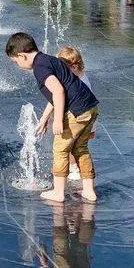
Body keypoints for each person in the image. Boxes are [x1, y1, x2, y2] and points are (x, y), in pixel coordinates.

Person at [6, 32, 99, 203]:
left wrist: (56, 120)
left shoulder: (40, 68)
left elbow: (58, 91)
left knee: (60, 150)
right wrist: (44, 119)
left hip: (76, 112)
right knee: (81, 149)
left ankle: (58, 192)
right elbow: (58, 93)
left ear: (22, 55)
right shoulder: (48, 60)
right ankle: (89, 191)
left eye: (16, 61)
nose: (18, 65)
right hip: (90, 107)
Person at [57, 46, 94, 182]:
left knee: (72, 145)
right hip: (85, 116)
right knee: (78, 146)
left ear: (75, 66)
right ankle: (78, 169)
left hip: (79, 117)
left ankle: (75, 169)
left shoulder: (77, 81)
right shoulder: (80, 75)